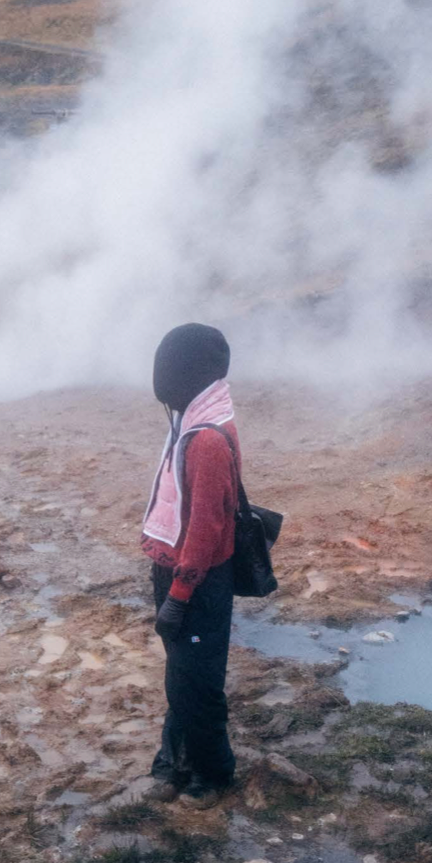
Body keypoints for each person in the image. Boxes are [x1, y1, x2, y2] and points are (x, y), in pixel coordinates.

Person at [142, 324, 240, 809]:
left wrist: (178, 598)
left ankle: (215, 773)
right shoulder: (190, 423)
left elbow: (203, 530)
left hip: (197, 580)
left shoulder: (205, 441)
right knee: (180, 675)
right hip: (175, 568)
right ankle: (173, 763)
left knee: (198, 681)